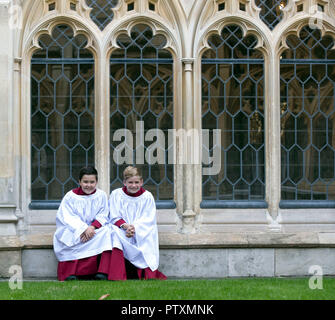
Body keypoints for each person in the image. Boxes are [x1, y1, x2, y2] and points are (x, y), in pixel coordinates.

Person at [53, 166, 115, 281]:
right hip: (76, 230)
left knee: (107, 232)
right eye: (85, 182)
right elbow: (67, 217)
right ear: (79, 182)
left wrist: (92, 227)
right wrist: (83, 229)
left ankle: (102, 272)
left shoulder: (101, 195)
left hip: (93, 229)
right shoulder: (71, 196)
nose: (89, 185)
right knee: (70, 237)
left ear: (96, 182)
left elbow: (103, 214)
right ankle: (71, 273)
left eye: (92, 182)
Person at [108, 166, 167, 280]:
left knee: (147, 240)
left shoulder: (147, 197)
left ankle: (144, 273)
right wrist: (126, 227)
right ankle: (118, 275)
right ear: (124, 182)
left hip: (141, 232)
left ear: (142, 182)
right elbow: (113, 215)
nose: (134, 185)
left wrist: (133, 228)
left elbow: (148, 219)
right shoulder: (116, 194)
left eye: (137, 182)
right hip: (122, 230)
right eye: (130, 182)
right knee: (113, 234)